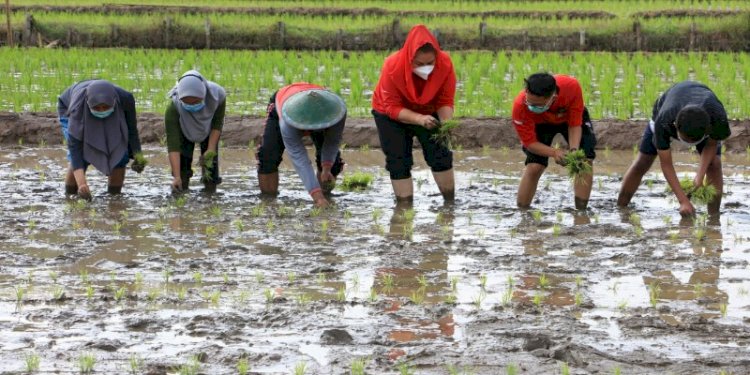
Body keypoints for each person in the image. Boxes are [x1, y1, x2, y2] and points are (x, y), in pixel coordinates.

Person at [371, 24, 456, 202]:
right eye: (419, 64)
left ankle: (450, 202)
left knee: (440, 154)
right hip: (391, 115)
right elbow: (391, 107)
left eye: (430, 63)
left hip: (429, 111)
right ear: (410, 58)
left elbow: (444, 100)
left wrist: (447, 124)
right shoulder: (393, 66)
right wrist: (418, 119)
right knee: (398, 160)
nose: (425, 68)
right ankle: (404, 209)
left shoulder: (445, 64)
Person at [617, 81, 730, 216]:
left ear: (707, 131)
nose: (689, 144)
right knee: (643, 161)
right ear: (675, 126)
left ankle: (714, 215)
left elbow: (711, 144)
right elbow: (666, 164)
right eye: (686, 140)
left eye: (694, 141)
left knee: (714, 164)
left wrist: (699, 178)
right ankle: (621, 207)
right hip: (669, 103)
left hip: (702, 111)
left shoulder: (717, 118)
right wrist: (683, 201)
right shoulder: (664, 120)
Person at [511, 72, 596, 210]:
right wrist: (554, 152)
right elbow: (530, 143)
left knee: (584, 161)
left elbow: (575, 124)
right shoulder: (520, 106)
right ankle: (522, 211)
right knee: (534, 166)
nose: (532, 106)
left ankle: (581, 211)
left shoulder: (571, 87)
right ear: (526, 92)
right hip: (539, 124)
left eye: (538, 105)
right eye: (530, 103)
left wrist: (574, 150)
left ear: (553, 97)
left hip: (567, 117)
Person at [256, 83, 346, 207]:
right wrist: (317, 197)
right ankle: (268, 203)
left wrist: (326, 168)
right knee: (268, 155)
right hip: (285, 101)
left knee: (333, 163)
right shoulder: (287, 120)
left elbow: (333, 141)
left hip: (319, 105)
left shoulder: (337, 111)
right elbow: (299, 157)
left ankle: (326, 198)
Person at [57, 79, 144, 200]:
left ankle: (114, 197)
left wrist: (138, 155)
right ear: (89, 103)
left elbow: (131, 130)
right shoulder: (76, 108)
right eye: (97, 108)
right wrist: (82, 184)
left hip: (114, 112)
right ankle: (70, 194)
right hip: (70, 109)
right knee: (81, 154)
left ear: (114, 102)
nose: (102, 111)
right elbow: (75, 148)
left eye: (105, 107)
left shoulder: (125, 99)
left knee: (119, 151)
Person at [165, 70, 226, 193]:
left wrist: (211, 148)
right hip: (184, 128)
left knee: (210, 167)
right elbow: (173, 145)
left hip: (208, 128)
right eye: (187, 104)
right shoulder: (173, 108)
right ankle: (181, 188)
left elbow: (217, 123)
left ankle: (210, 196)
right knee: (182, 169)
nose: (192, 107)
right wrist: (176, 177)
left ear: (204, 95)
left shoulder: (217, 95)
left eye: (196, 102)